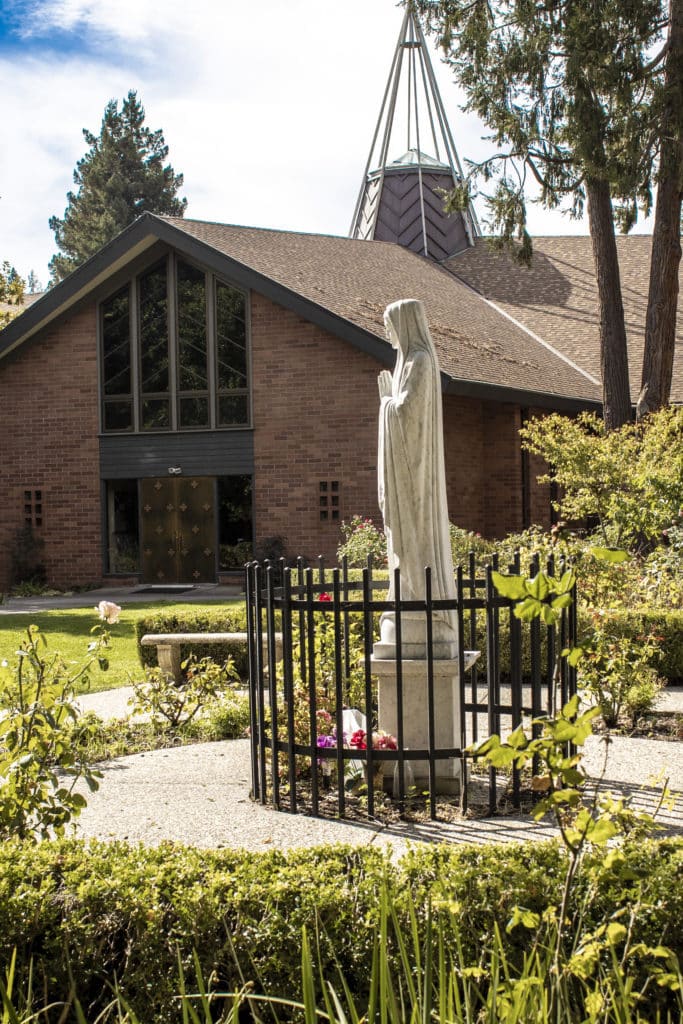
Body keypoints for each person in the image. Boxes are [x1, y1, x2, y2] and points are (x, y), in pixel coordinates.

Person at [375, 298, 457, 657]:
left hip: (416, 481)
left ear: (404, 324)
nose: (388, 334)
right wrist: (389, 402)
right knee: (401, 550)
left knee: (416, 544)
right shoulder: (407, 363)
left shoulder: (420, 362)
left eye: (390, 326)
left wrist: (385, 403)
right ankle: (406, 596)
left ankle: (425, 605)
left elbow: (407, 415)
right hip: (405, 476)